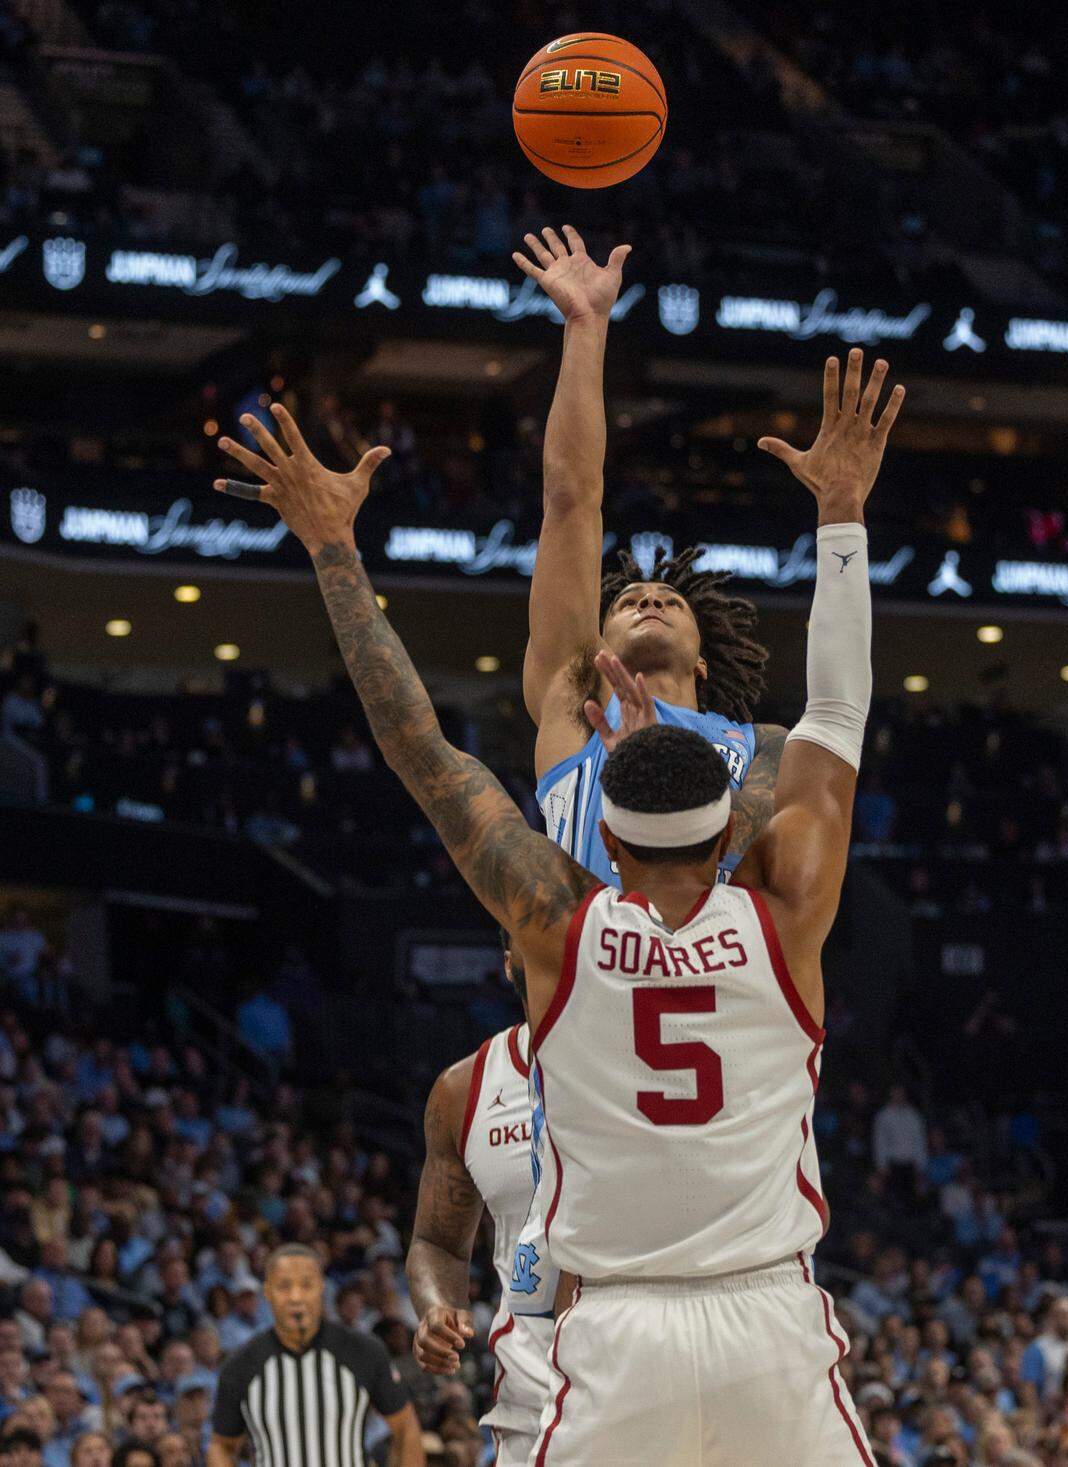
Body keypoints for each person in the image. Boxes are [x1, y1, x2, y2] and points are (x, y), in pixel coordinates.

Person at [214, 345, 903, 1461]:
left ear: (611, 833)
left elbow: (416, 744)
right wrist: (841, 516)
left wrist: (335, 549)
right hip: (751, 1227)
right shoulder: (781, 872)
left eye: (666, 594)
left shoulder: (561, 890)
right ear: (736, 829)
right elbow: (843, 702)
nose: (640, 597)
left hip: (609, 1208)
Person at [511, 224, 787, 887]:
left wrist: (649, 772)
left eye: (669, 600)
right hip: (590, 979)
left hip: (709, 982)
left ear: (701, 657)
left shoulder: (764, 745)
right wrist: (585, 328)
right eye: (628, 600)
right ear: (596, 645)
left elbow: (727, 851)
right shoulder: (570, 705)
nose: (650, 598)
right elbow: (571, 500)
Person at [406, 933, 549, 1467]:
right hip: (532, 1385)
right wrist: (437, 1307)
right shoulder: (463, 1089)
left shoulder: (639, 1059)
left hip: (645, 1359)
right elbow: (435, 1242)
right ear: (509, 961)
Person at [206, 1244, 423, 1467]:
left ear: (321, 1288)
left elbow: (406, 1429)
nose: (295, 1297)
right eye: (284, 1286)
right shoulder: (242, 1364)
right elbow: (221, 1446)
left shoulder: (363, 1351)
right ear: (268, 1293)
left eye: (306, 1285)